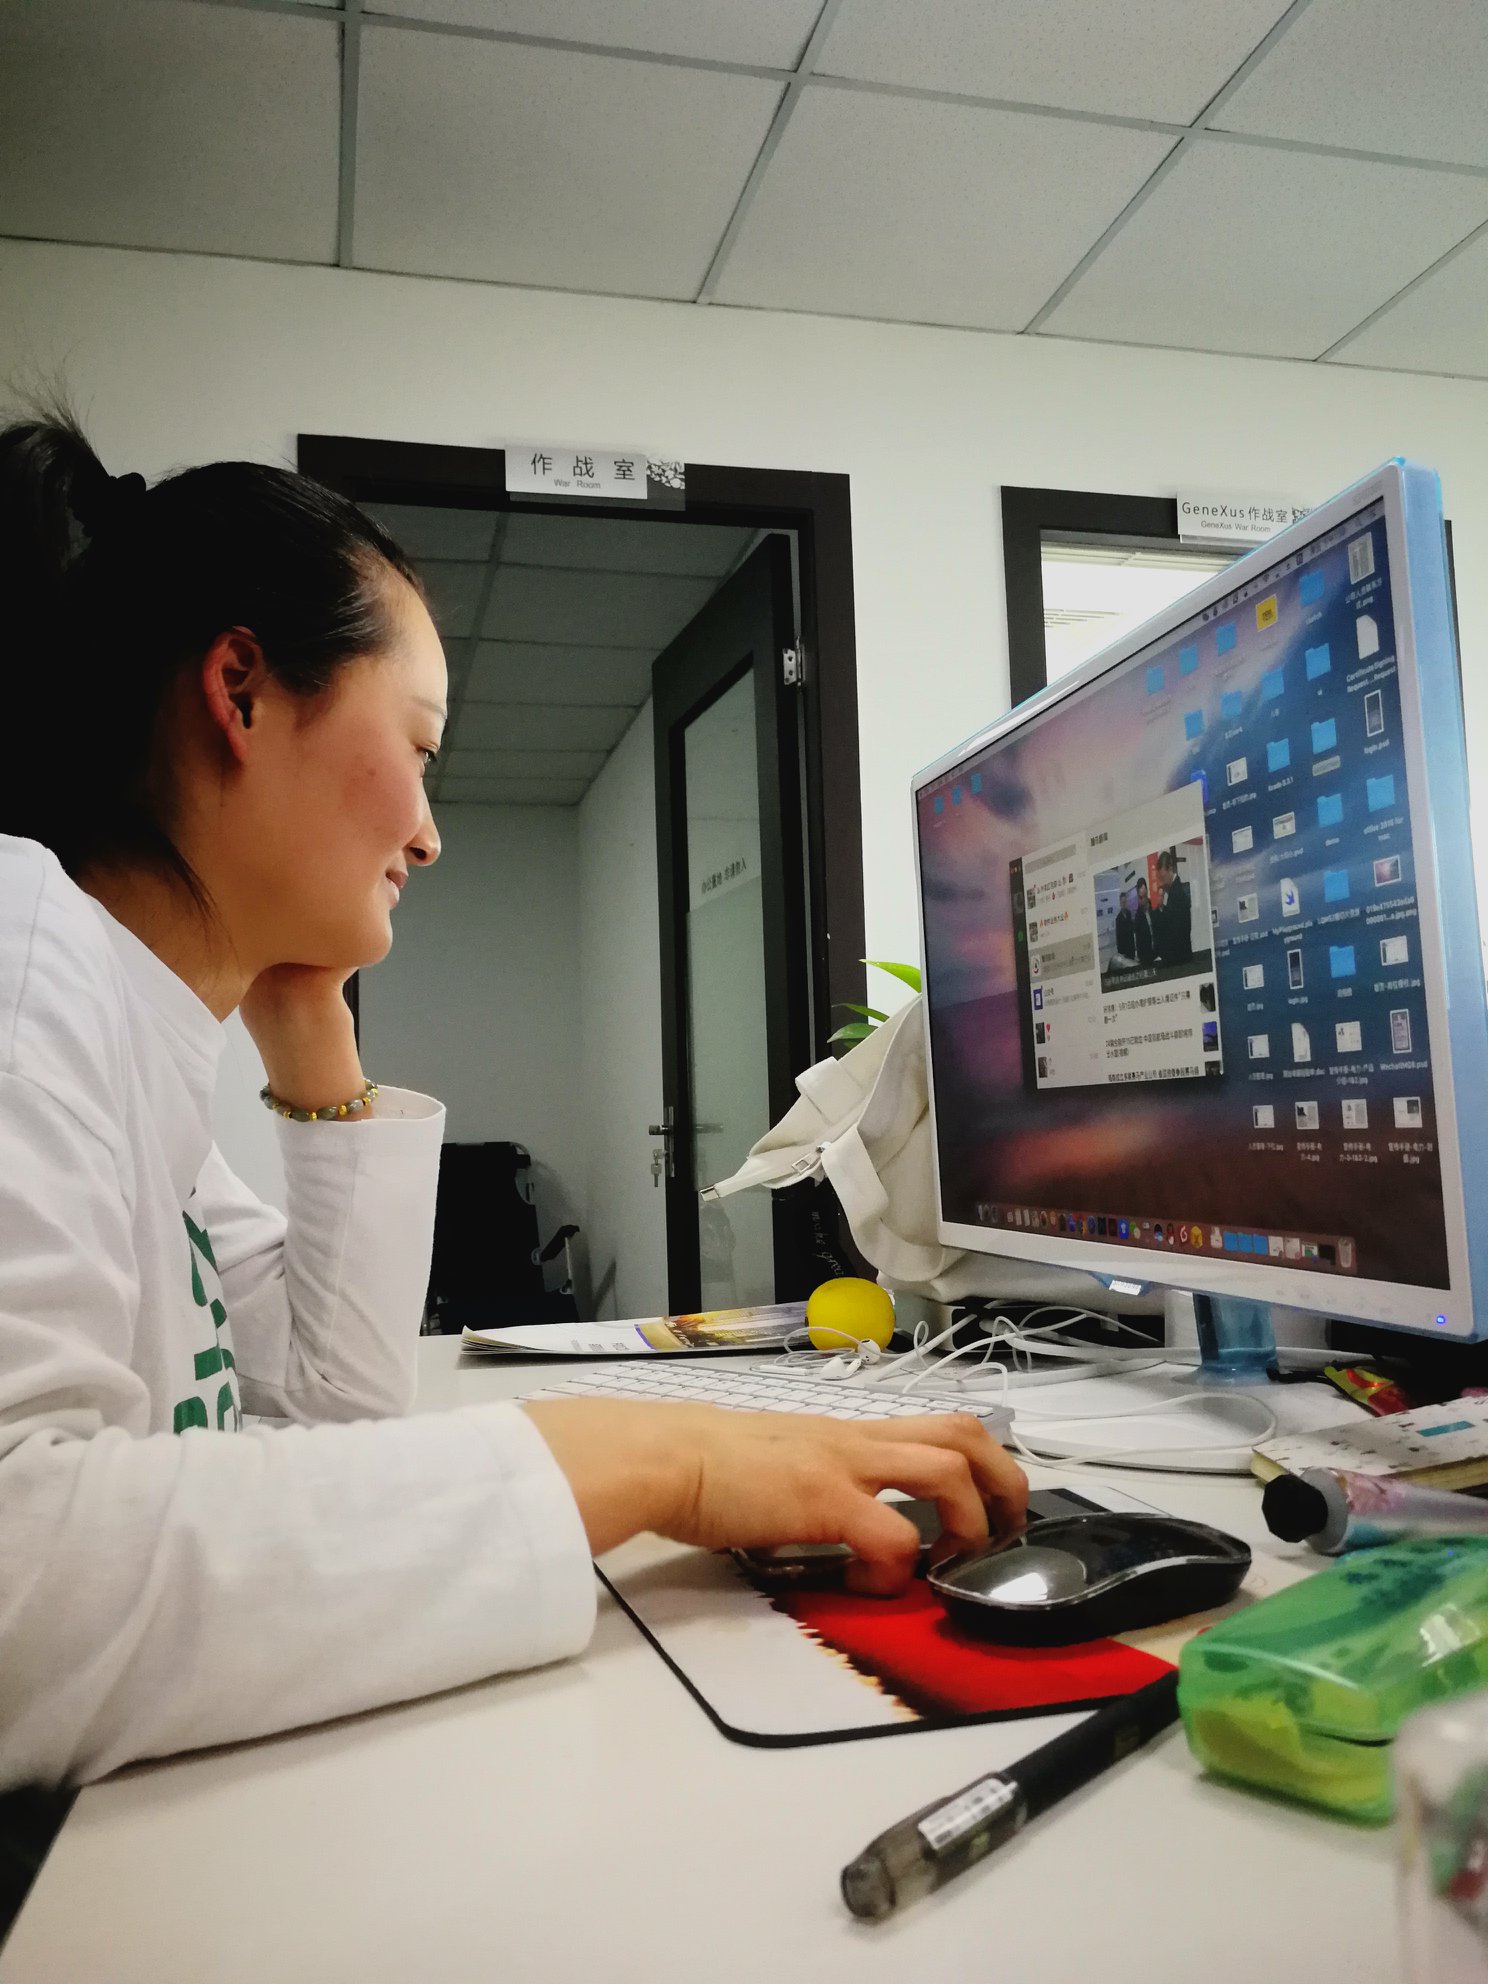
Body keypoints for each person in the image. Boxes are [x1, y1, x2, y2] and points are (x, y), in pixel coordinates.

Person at [0, 411, 1026, 1793]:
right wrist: (657, 1458)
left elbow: (333, 1420)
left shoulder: (136, 1041)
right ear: (240, 690)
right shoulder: (23, 945)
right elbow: (22, 1586)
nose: (427, 833)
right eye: (419, 747)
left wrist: (313, 1040)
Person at [1153, 848, 1193, 965]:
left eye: (1162, 876)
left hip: (1179, 958)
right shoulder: (1173, 891)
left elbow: (1177, 931)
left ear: (1170, 868)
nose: (1161, 881)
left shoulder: (1176, 893)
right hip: (1180, 955)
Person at [1132, 877, 1156, 966]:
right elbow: (1138, 939)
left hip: (1157, 951)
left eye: (1144, 896)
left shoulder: (1152, 909)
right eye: (1140, 897)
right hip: (1145, 955)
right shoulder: (1138, 915)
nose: (1142, 900)